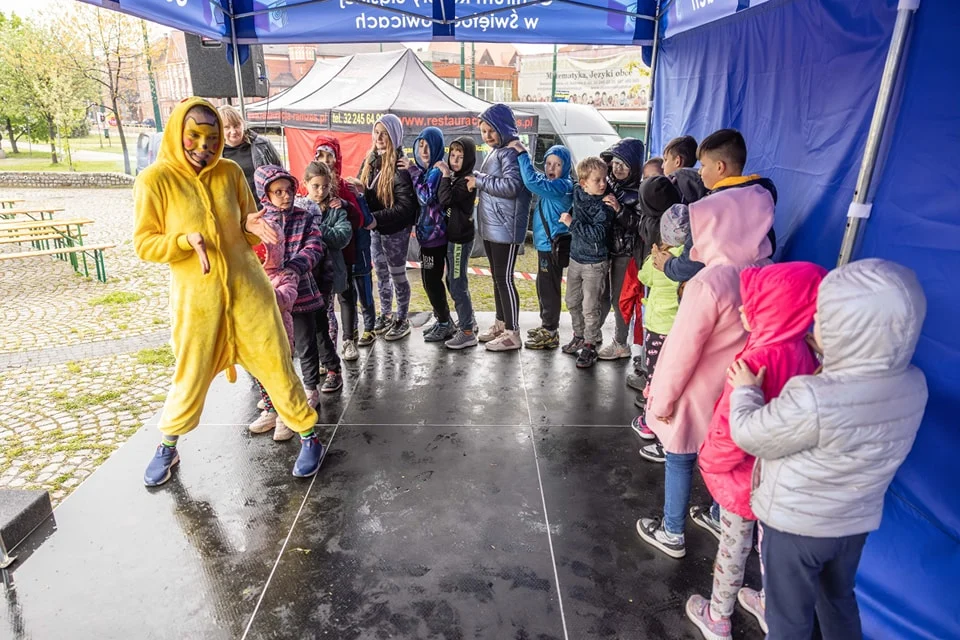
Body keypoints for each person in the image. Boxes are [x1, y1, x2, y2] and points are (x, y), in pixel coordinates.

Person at [729, 259, 928, 640]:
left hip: (796, 528)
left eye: (823, 321)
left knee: (788, 618)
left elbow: (751, 433)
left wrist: (746, 391)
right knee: (838, 601)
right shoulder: (914, 385)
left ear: (847, 332)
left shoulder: (814, 396)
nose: (815, 326)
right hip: (854, 523)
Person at [135, 98, 324, 486]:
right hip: (199, 303)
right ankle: (168, 445)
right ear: (177, 133)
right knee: (190, 373)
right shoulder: (155, 181)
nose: (203, 147)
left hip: (249, 291)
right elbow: (145, 244)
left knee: (276, 360)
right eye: (195, 137)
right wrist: (185, 241)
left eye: (211, 138)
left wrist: (253, 223)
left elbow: (244, 221)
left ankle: (309, 435)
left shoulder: (230, 172)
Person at [635, 150, 775, 558]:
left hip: (693, 389)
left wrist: (659, 401)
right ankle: (717, 512)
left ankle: (673, 531)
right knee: (723, 458)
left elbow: (680, 352)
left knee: (679, 455)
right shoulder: (762, 270)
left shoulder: (709, 282)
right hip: (734, 388)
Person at [685, 262, 827, 640]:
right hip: (783, 479)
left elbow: (732, 431)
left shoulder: (754, 360)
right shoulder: (806, 353)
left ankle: (718, 617)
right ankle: (768, 605)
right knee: (770, 547)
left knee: (733, 547)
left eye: (754, 305)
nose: (743, 311)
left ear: (774, 310)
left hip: (742, 477)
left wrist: (710, 462)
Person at [254, 165, 341, 400]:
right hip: (272, 292)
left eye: (288, 190)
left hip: (303, 289)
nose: (285, 196)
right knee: (276, 344)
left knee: (310, 338)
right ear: (266, 195)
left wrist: (294, 268)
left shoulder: (304, 217)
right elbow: (251, 253)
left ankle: (314, 384)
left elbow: (315, 246)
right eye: (278, 192)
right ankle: (274, 396)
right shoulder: (259, 223)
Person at [471, 103, 531, 352]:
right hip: (494, 226)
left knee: (504, 279)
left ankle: (513, 332)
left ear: (503, 128)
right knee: (497, 278)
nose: (487, 137)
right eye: (484, 132)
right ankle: (501, 323)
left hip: (506, 228)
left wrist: (479, 179)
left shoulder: (511, 153)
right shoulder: (497, 152)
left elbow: (511, 186)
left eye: (491, 131)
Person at [629, 204, 687, 461]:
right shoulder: (688, 259)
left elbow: (644, 277)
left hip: (656, 328)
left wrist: (651, 257)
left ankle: (650, 423)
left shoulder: (658, 259)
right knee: (672, 377)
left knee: (653, 377)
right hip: (678, 329)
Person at [358, 114, 418, 341]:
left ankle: (402, 318)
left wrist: (375, 218)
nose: (380, 137)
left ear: (395, 135)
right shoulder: (370, 160)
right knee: (381, 274)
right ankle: (385, 314)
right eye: (376, 132)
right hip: (376, 229)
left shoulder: (401, 166)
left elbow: (405, 207)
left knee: (397, 275)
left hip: (395, 230)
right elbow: (363, 189)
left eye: (385, 133)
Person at [313, 135, 373, 356]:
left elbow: (359, 220)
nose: (326, 160)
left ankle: (349, 340)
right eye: (321, 156)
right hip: (316, 259)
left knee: (345, 296)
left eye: (330, 156)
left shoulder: (344, 187)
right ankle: (325, 348)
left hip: (343, 254)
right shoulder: (308, 188)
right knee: (321, 303)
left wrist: (346, 205)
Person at [510, 138, 573, 350]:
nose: (551, 168)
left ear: (566, 167)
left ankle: (551, 331)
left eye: (557, 164)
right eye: (548, 163)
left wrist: (522, 154)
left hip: (551, 246)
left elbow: (531, 181)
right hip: (546, 245)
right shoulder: (555, 184)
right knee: (543, 286)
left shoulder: (561, 186)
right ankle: (547, 325)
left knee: (548, 288)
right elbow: (536, 177)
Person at [247, 220, 300, 441]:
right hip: (253, 338)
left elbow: (286, 299)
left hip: (279, 339)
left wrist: (263, 290)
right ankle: (270, 410)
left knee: (282, 379)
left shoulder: (285, 275)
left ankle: (285, 417)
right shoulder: (246, 275)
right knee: (261, 377)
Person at [559, 156, 614, 369]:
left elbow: (598, 235)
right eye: (597, 180)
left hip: (595, 263)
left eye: (604, 179)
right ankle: (579, 335)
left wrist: (572, 223)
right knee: (572, 301)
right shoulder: (577, 191)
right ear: (583, 183)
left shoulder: (606, 205)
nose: (603, 184)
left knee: (590, 307)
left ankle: (591, 344)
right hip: (575, 259)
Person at [298, 161, 348, 393]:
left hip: (326, 276)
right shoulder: (298, 207)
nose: (320, 191)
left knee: (326, 318)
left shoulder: (336, 208)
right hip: (303, 278)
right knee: (309, 325)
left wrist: (318, 227)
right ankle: (317, 362)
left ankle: (332, 368)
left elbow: (342, 236)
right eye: (316, 186)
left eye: (325, 186)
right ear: (305, 183)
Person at [598, 138, 645, 361]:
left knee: (620, 299)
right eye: (614, 163)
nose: (617, 168)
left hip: (626, 254)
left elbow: (639, 225)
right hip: (610, 249)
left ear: (634, 167)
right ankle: (592, 334)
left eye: (623, 165)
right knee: (604, 296)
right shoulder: (611, 184)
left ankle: (620, 343)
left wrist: (618, 210)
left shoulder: (639, 192)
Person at [407, 127, 455, 343]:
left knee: (431, 281)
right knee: (429, 280)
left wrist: (412, 172)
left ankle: (445, 323)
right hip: (427, 237)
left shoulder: (435, 171)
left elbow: (425, 197)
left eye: (428, 144)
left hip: (436, 238)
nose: (424, 149)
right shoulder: (426, 170)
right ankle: (442, 319)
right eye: (421, 144)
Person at [436, 137, 480, 350]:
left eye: (460, 157)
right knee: (453, 281)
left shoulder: (466, 181)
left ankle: (467, 332)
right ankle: (469, 321)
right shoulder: (457, 178)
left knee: (457, 283)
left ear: (469, 158)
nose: (454, 160)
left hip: (459, 240)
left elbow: (445, 199)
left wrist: (444, 174)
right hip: (452, 238)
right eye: (452, 155)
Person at [218, 104, 282, 198]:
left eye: (236, 125)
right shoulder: (215, 153)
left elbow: (281, 172)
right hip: (236, 210)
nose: (233, 131)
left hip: (265, 207)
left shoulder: (263, 144)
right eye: (227, 127)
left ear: (243, 124)